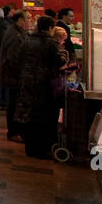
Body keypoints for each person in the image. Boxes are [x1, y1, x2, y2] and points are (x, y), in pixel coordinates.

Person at [15, 16, 64, 159]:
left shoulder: (27, 40)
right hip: (44, 84)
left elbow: (18, 58)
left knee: (29, 114)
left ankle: (30, 147)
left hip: (27, 82)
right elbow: (58, 62)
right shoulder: (50, 43)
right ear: (50, 28)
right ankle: (42, 149)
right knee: (44, 116)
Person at [0, 9, 30, 142]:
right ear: (20, 20)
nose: (30, 21)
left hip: (13, 75)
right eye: (28, 18)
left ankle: (15, 131)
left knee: (14, 103)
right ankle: (13, 132)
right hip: (13, 75)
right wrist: (22, 74)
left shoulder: (18, 32)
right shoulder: (15, 35)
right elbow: (14, 58)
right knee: (14, 104)